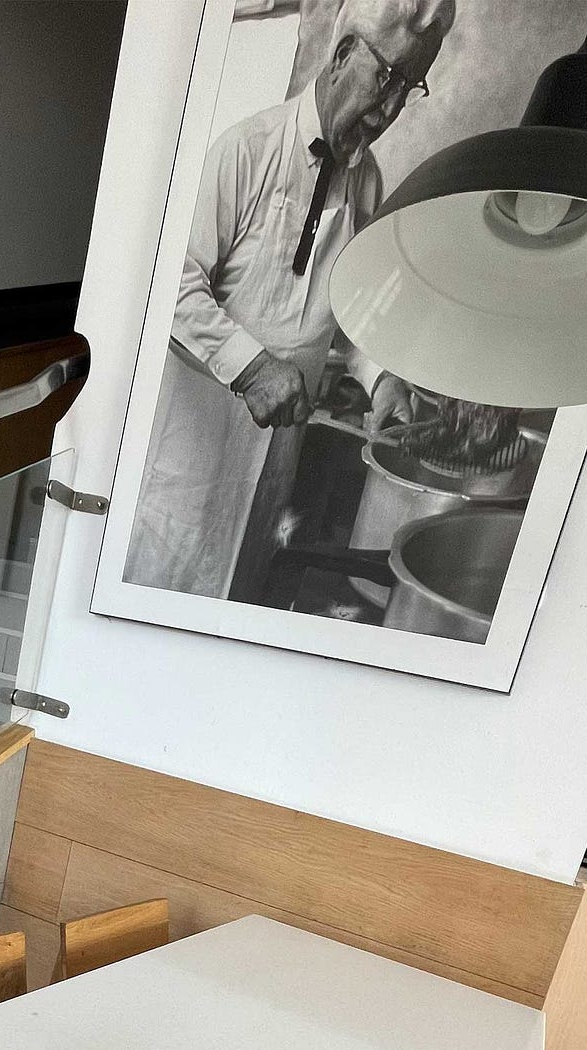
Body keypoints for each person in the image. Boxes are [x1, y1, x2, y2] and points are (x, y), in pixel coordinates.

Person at [125, 0, 455, 602]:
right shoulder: (245, 149)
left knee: (238, 600)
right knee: (161, 597)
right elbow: (167, 283)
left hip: (274, 463)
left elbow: (358, 312)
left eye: (410, 87)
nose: (389, 109)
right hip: (190, 463)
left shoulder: (367, 181)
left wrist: (383, 384)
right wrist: (253, 368)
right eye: (386, 77)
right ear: (342, 53)